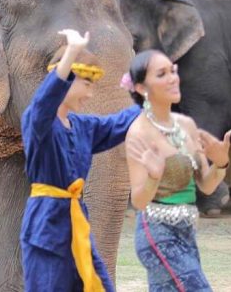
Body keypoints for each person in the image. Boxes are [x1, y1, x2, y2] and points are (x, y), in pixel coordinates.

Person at [20, 29, 140, 292]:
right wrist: (72, 50)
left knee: (98, 285)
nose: (90, 94)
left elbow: (118, 125)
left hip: (77, 225)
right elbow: (44, 103)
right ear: (67, 80)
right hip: (46, 227)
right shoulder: (38, 122)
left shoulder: (82, 126)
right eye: (87, 84)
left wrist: (148, 99)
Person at [123, 50, 231, 292]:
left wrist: (221, 163)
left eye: (173, 71)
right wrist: (153, 176)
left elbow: (206, 185)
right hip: (157, 233)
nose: (173, 78)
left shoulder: (187, 125)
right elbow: (139, 201)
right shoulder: (138, 133)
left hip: (187, 231)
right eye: (162, 74)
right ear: (141, 88)